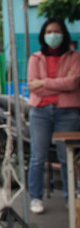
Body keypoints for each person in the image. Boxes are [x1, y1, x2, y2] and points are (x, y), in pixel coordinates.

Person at [26, 18, 80, 214]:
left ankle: (71, 197)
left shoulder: (75, 56)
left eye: (56, 31)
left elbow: (73, 83)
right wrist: (59, 83)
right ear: (43, 35)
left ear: (64, 34)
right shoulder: (36, 57)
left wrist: (44, 83)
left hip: (67, 112)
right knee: (37, 157)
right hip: (40, 112)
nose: (53, 35)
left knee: (67, 158)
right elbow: (33, 86)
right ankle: (35, 197)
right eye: (49, 31)